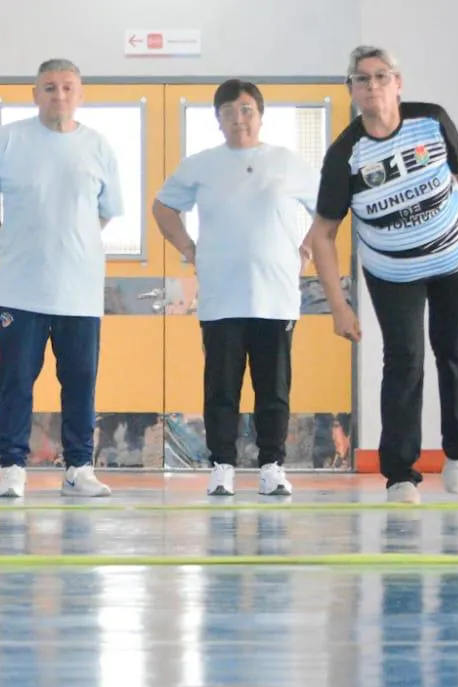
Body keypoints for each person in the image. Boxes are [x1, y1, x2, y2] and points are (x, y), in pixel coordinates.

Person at [308, 45, 458, 504]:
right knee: (404, 359)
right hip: (393, 271)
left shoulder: (432, 120)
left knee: (452, 346)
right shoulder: (345, 154)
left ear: (398, 84)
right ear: (351, 91)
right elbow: (322, 235)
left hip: (453, 258)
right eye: (362, 79)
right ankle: (401, 474)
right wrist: (339, 307)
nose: (372, 86)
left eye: (381, 77)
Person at [152, 79, 319, 498]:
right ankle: (222, 466)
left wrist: (307, 249)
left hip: (276, 296)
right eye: (229, 111)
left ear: (260, 115)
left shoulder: (287, 163)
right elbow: (163, 207)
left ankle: (271, 466)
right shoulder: (201, 165)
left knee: (273, 388)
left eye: (246, 109)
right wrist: (189, 249)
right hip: (222, 297)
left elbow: (328, 210)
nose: (238, 118)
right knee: (221, 388)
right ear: (218, 120)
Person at [0, 58, 122, 500]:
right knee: (16, 380)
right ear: (34, 93)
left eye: (66, 87)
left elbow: (104, 211)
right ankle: (12, 468)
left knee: (80, 380)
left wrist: (70, 243)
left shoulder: (98, 147)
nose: (58, 95)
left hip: (79, 292)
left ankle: (79, 467)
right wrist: (4, 244)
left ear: (80, 94)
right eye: (49, 87)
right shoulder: (6, 141)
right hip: (21, 289)